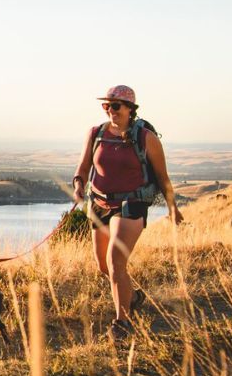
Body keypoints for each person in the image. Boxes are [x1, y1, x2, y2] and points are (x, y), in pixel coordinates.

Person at [72, 85, 183, 340]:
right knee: (103, 266)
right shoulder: (96, 133)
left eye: (116, 105)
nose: (111, 110)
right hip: (99, 204)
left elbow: (163, 178)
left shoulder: (146, 138)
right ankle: (132, 297)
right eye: (107, 105)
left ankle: (122, 324)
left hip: (131, 205)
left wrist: (172, 208)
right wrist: (79, 186)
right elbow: (82, 168)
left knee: (115, 262)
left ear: (131, 109)